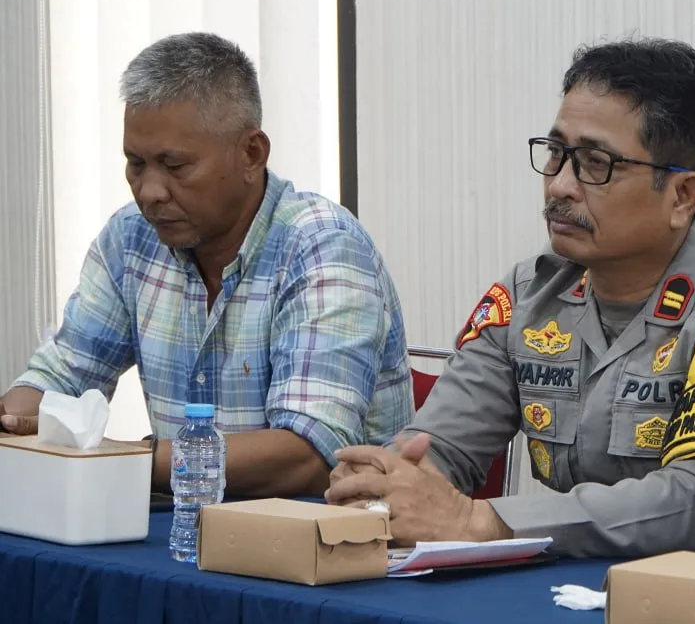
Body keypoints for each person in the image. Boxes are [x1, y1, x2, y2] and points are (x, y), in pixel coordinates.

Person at [325, 38, 695, 558]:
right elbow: (440, 446)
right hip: (566, 587)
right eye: (556, 153)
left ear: (682, 196)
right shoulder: (529, 295)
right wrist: (384, 483)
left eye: (595, 163)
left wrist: (481, 521)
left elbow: (692, 504)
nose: (560, 185)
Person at [0, 32, 413, 498]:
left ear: (251, 154)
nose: (149, 191)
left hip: (329, 533)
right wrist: (14, 423)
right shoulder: (131, 239)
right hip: (185, 527)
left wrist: (121, 460)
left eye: (175, 166)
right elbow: (62, 377)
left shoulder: (323, 247)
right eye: (136, 163)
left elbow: (310, 457)